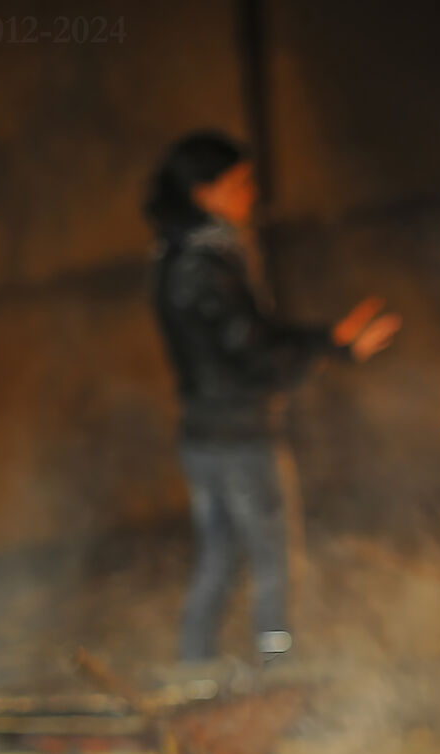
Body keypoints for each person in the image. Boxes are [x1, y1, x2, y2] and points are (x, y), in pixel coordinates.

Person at [144, 131, 400, 665]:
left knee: (219, 558)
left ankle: (195, 671)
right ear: (203, 192)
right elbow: (254, 355)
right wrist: (333, 351)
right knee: (275, 565)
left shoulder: (178, 256)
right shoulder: (207, 265)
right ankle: (277, 670)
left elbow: (252, 336)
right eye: (239, 184)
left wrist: (328, 341)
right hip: (239, 437)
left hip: (203, 433)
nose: (251, 195)